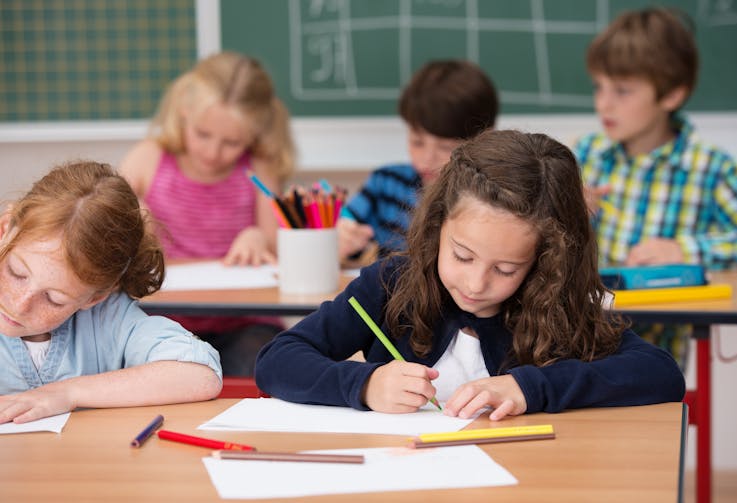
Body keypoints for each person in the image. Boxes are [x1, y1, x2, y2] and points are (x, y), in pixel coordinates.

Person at [255, 130, 685, 419]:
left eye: (506, 269)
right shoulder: (391, 283)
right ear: (438, 227)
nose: (477, 284)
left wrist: (530, 388)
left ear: (545, 261)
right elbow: (277, 360)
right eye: (462, 256)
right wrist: (365, 384)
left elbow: (660, 374)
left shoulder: (557, 301)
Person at [573, 7, 737, 365]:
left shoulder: (709, 168)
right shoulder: (587, 154)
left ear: (671, 95)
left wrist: (684, 250)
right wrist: (567, 211)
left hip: (654, 352)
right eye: (599, 87)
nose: (603, 103)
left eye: (622, 91)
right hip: (580, 340)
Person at [0, 161, 222, 424]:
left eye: (54, 299)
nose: (20, 303)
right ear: (4, 230)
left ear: (95, 297)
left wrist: (66, 393)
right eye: (16, 273)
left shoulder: (108, 317)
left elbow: (200, 374)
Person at [120, 51, 296, 376]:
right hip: (162, 320)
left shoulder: (258, 169)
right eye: (203, 135)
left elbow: (276, 248)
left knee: (265, 367)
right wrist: (131, 224)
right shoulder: (149, 159)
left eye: (231, 142)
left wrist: (259, 237)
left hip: (246, 323)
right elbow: (103, 225)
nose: (213, 153)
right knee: (156, 372)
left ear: (254, 135)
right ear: (184, 112)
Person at [337, 59, 499, 264]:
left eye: (445, 147)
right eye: (417, 142)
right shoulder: (386, 183)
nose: (427, 159)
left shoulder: (492, 198)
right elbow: (349, 236)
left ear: (485, 138)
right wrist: (346, 238)